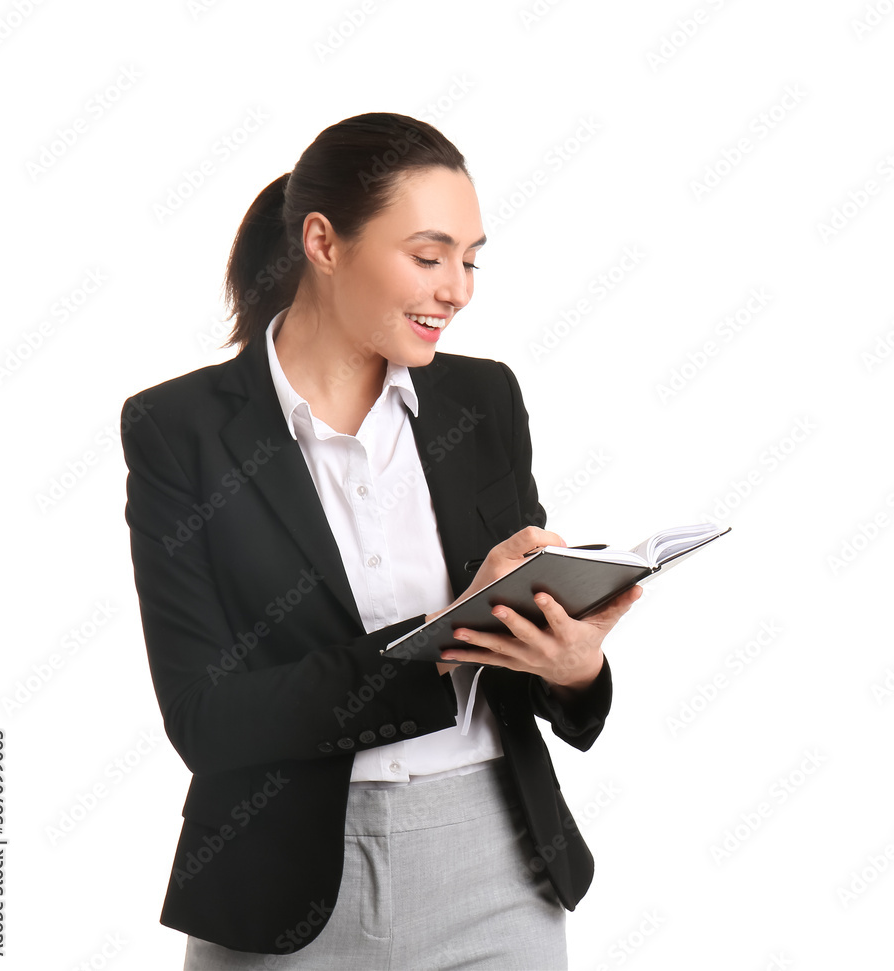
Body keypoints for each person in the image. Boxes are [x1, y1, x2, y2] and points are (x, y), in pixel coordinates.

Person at [120, 111, 641, 970]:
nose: (459, 288)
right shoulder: (182, 429)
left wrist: (573, 663)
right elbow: (205, 719)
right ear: (324, 242)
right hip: (279, 879)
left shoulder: (483, 401)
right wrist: (444, 639)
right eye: (429, 256)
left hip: (498, 865)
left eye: (470, 260)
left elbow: (530, 675)